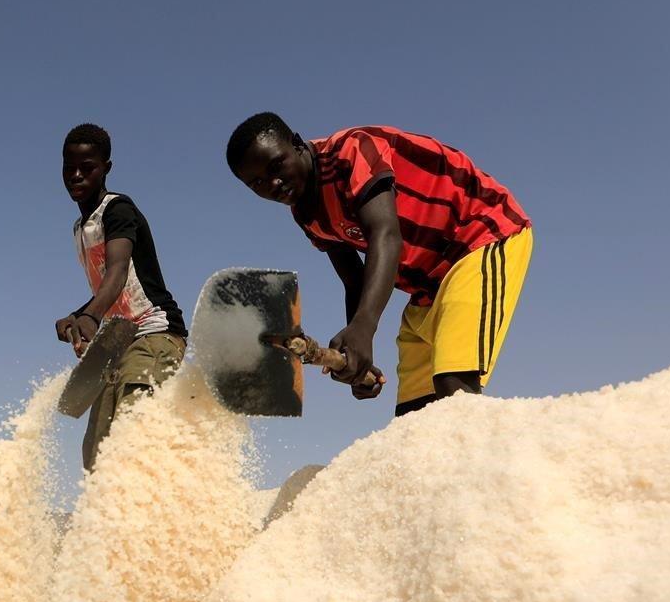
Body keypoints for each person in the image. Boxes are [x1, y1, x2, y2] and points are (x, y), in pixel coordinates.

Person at [226, 113, 532, 415]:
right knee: (415, 416)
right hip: (427, 283)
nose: (274, 183)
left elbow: (385, 235)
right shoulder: (306, 213)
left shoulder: (351, 151)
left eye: (277, 165)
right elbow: (353, 280)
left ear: (296, 144)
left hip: (479, 237)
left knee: (453, 385)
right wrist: (356, 356)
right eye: (258, 183)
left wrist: (364, 328)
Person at [56, 123, 188, 470]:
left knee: (134, 424)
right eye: (69, 167)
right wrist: (78, 314)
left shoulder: (118, 210)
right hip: (118, 341)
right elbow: (111, 289)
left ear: (106, 169)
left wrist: (92, 315)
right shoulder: (79, 228)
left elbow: (117, 270)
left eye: (88, 168)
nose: (77, 175)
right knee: (97, 456)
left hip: (154, 333)